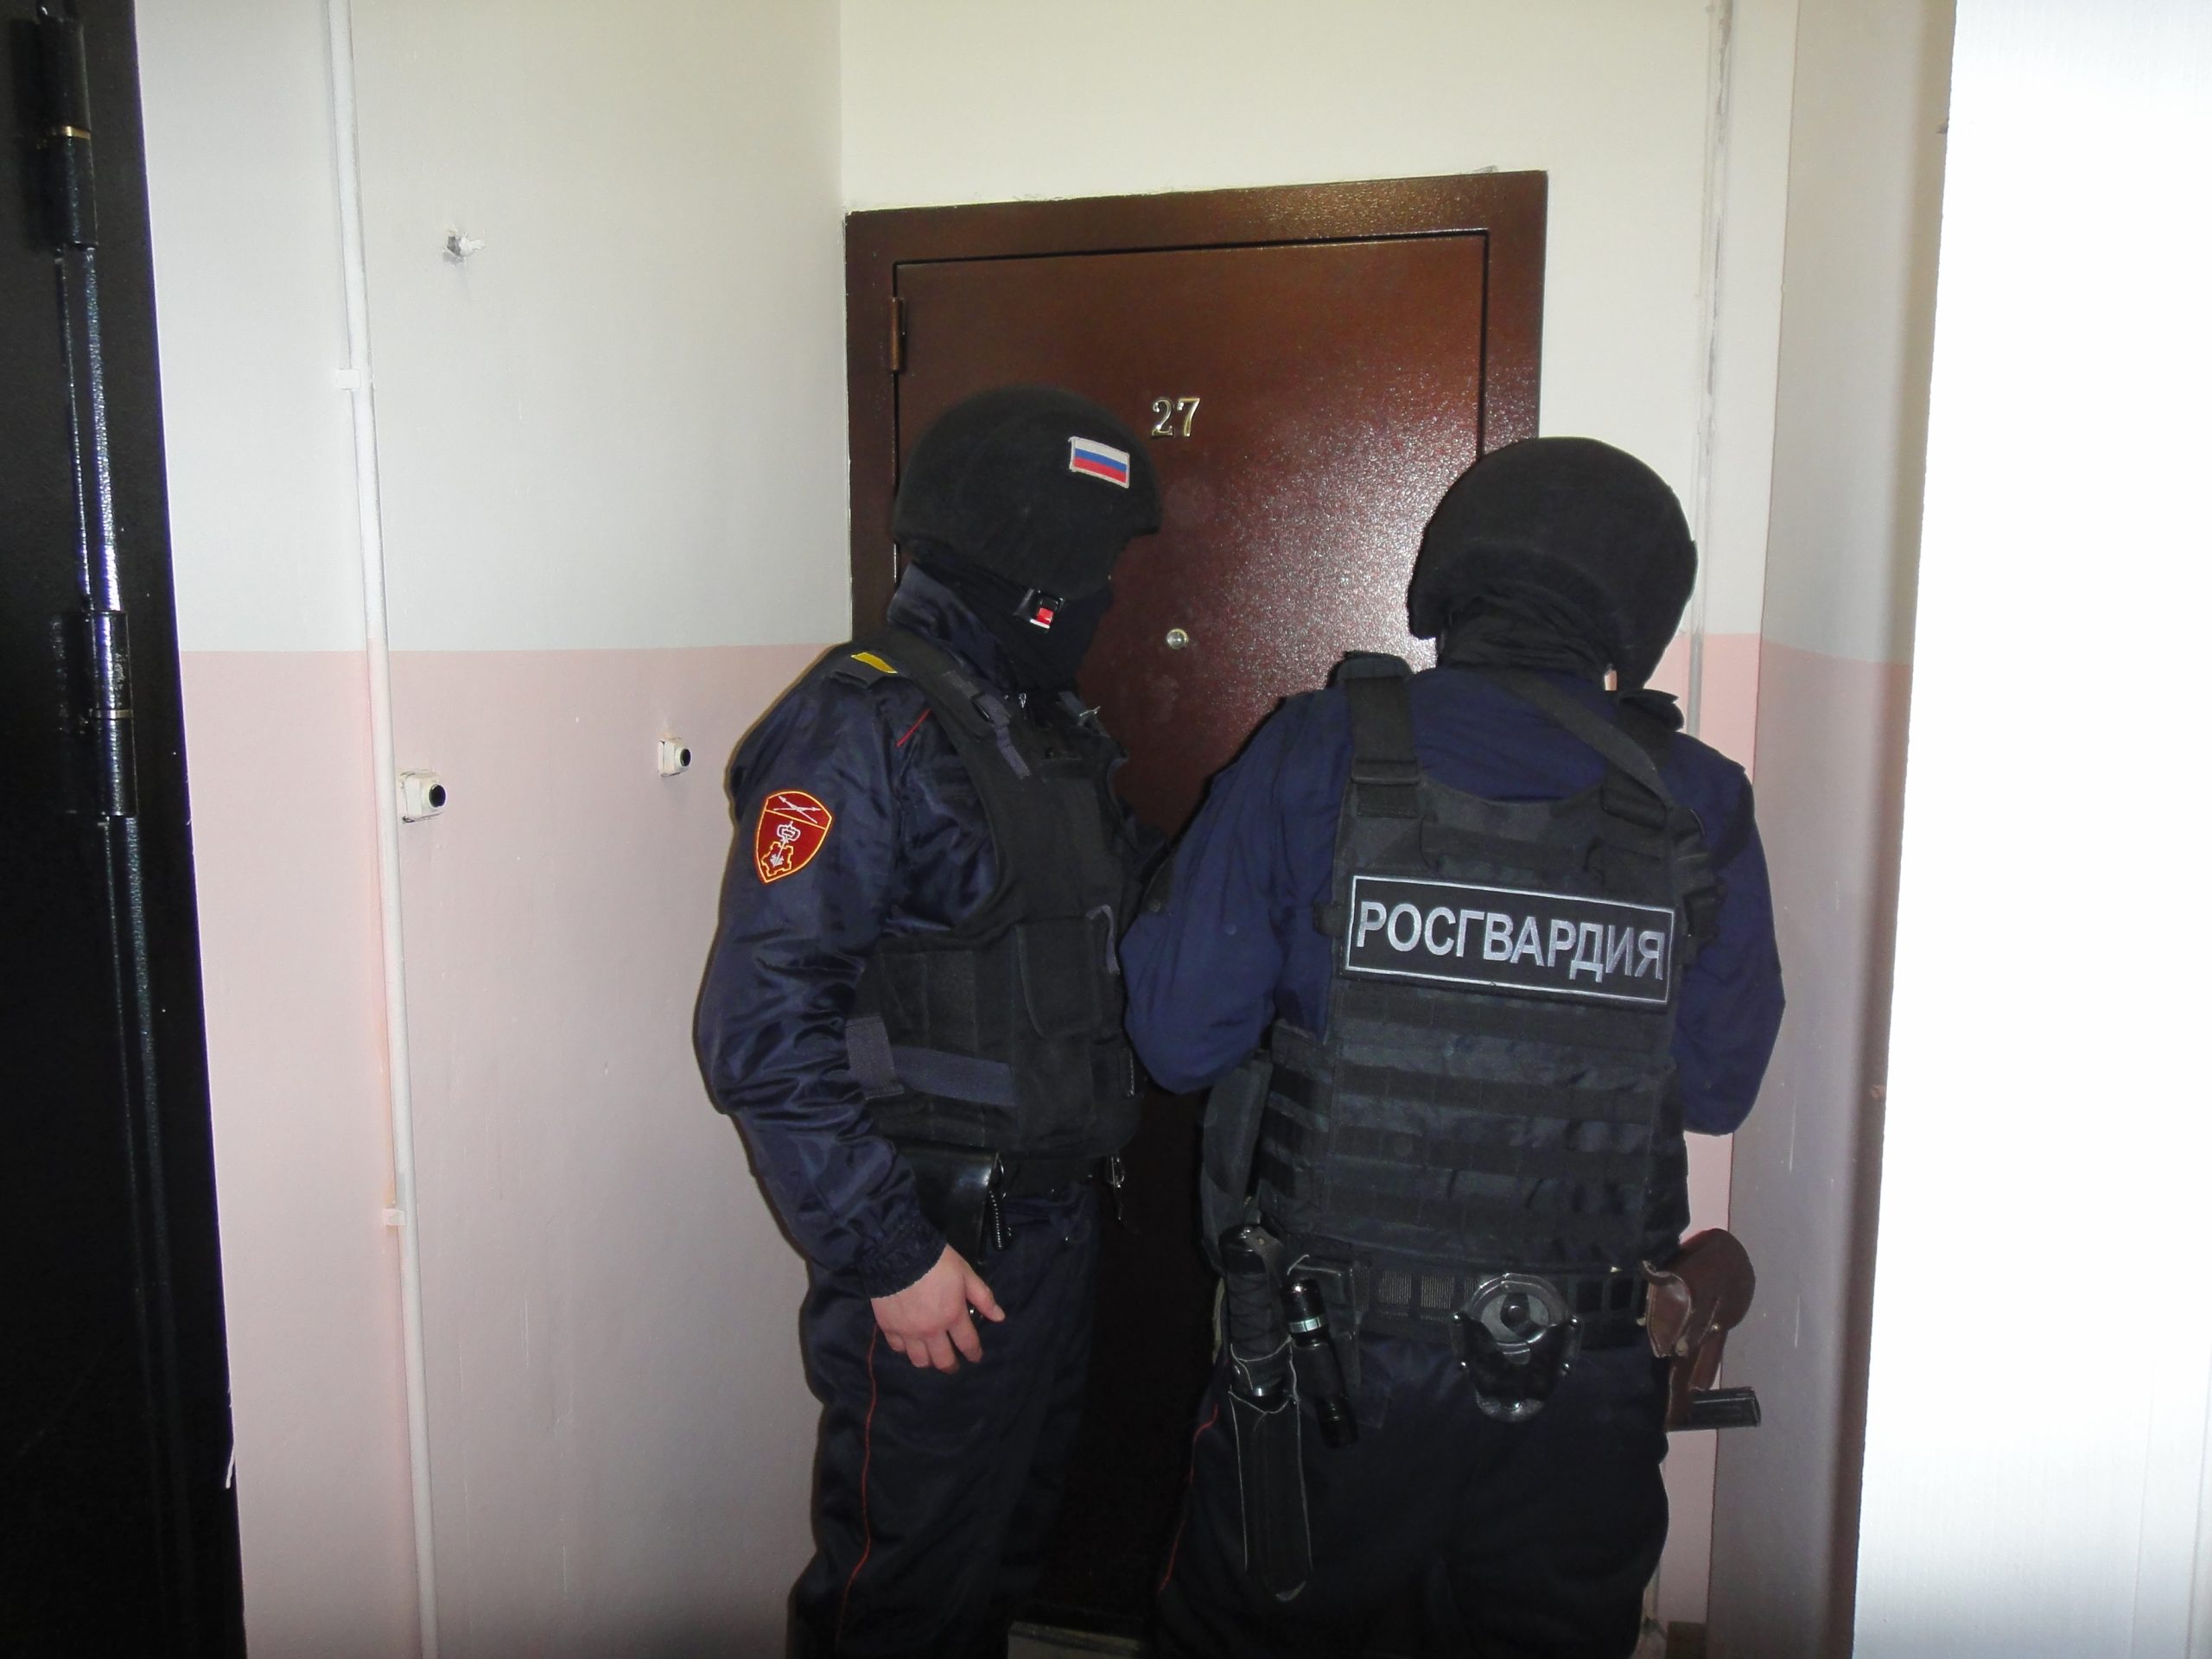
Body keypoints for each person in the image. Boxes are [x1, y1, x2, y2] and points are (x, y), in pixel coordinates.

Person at [1122, 438, 1785, 1658]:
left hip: (1334, 1370)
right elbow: (1719, 1086)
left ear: (1449, 578)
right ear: (1641, 609)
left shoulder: (1313, 750)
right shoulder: (1696, 798)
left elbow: (1175, 1039)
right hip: (1582, 1384)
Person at [695, 385, 1162, 1657]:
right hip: (932, 1240)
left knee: (997, 1564)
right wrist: (890, 1256)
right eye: (1093, 566)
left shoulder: (1042, 726)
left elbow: (1125, 920)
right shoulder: (862, 722)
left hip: (1051, 1226)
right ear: (1032, 568)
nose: (1106, 597)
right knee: (901, 1600)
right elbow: (760, 1032)